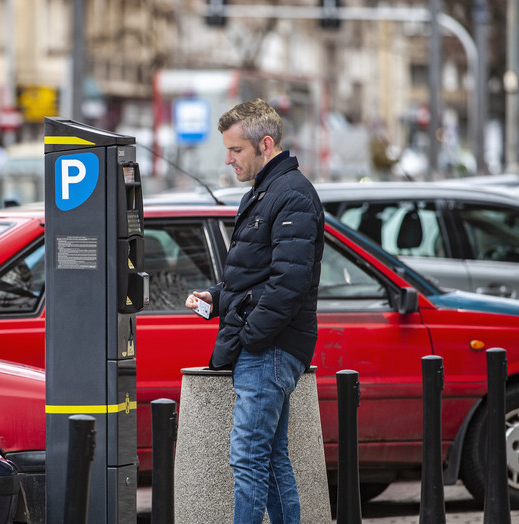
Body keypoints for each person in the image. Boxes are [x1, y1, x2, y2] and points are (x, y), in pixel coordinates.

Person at [185, 98, 324, 524]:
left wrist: (251, 336)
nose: (228, 160)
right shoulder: (268, 192)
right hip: (267, 344)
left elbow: (289, 284)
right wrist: (216, 297)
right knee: (270, 460)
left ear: (266, 144)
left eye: (236, 150)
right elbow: (255, 276)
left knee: (247, 458)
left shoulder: (291, 195)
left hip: (271, 347)